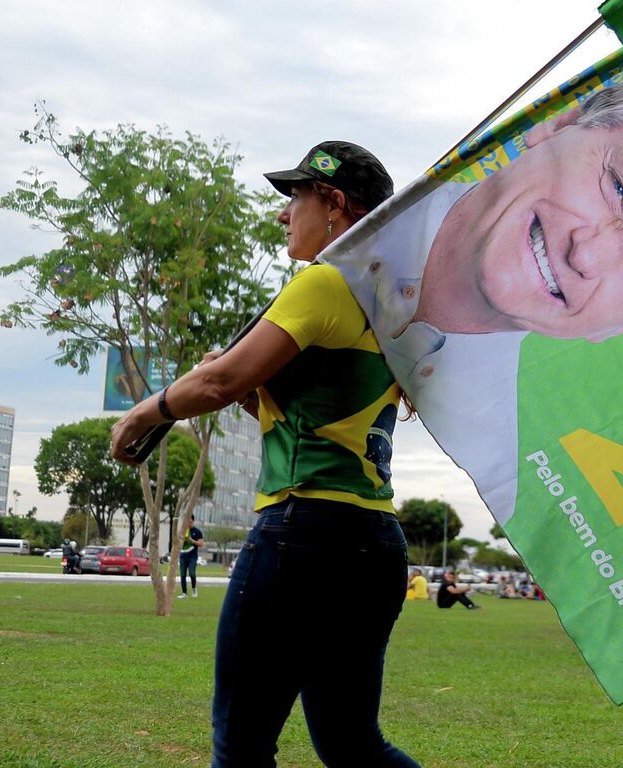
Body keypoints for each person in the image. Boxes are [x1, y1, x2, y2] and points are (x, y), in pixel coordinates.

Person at [111, 140, 417, 768]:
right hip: (374, 543)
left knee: (242, 745)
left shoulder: (323, 285)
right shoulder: (394, 304)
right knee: (353, 744)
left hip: (302, 535)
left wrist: (144, 412)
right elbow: (308, 415)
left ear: (333, 204)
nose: (283, 215)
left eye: (295, 197)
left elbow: (219, 382)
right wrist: (247, 392)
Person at [327, 81, 623, 524]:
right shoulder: (351, 239)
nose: (586, 253)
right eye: (620, 187)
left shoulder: (500, 460)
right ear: (558, 127)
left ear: (613, 330)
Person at [179, 519, 204, 598]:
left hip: (192, 556)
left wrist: (191, 540)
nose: (188, 523)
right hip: (183, 556)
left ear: (193, 521)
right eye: (186, 521)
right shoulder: (183, 531)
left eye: (189, 521)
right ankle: (184, 593)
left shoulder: (197, 532)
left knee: (192, 573)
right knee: (183, 575)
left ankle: (194, 589)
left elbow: (201, 543)